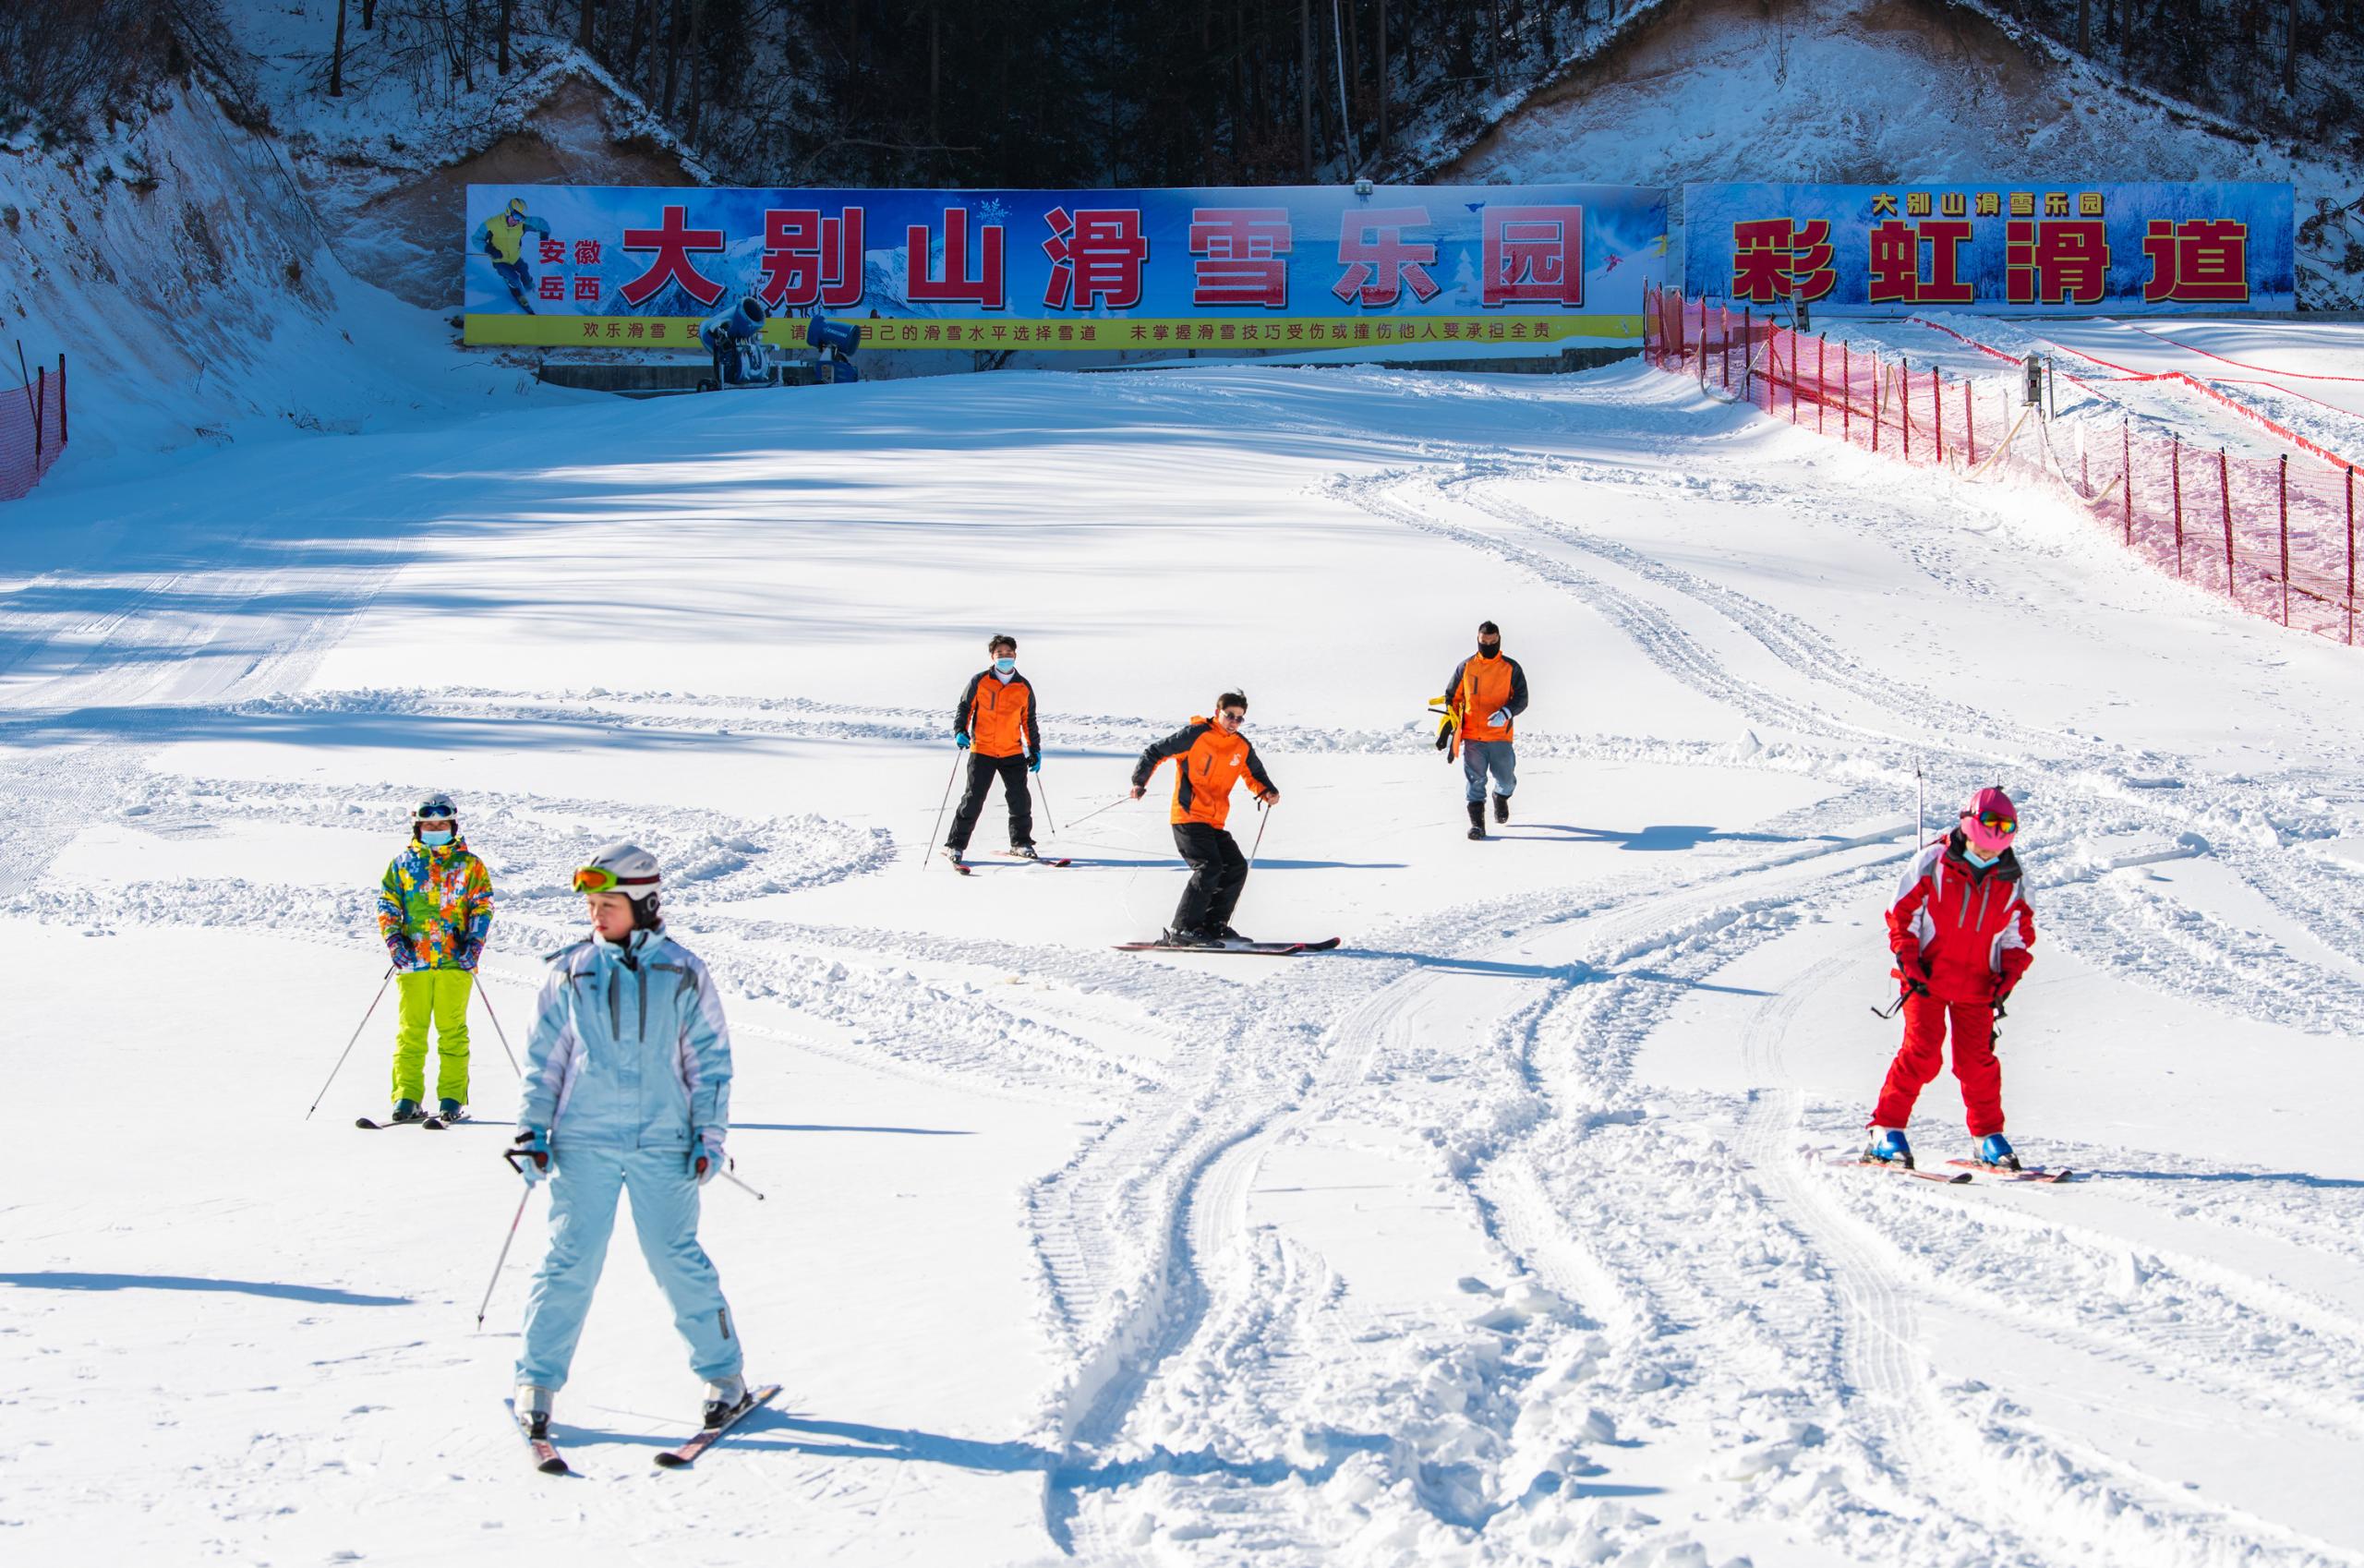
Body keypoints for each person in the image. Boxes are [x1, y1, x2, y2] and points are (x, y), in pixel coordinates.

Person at [509, 843, 752, 1439]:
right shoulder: (570, 971)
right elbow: (546, 1060)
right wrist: (532, 1129)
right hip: (583, 1142)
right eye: (592, 904)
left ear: (644, 905)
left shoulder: (682, 972)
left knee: (676, 1259)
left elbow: (710, 1062)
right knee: (569, 1261)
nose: (597, 915)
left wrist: (708, 1136)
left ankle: (725, 1378)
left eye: (608, 903)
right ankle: (536, 1382)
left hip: (664, 1143)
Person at [1864, 788, 2037, 1171]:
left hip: (1978, 985)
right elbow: (1902, 916)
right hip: (1926, 980)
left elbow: (2017, 933)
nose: (1991, 854)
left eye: (1998, 847)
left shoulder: (2012, 877)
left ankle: (1988, 1137)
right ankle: (1885, 1129)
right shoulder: (1932, 861)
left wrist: (2007, 975)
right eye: (1984, 846)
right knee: (1922, 1053)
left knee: (1977, 1063)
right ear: (1968, 828)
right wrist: (1910, 963)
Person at [375, 792, 494, 1124]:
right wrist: (395, 940)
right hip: (414, 961)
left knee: (451, 1030)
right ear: (418, 827)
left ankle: (451, 1098)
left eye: (442, 823)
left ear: (452, 825)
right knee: (411, 1031)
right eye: (429, 824)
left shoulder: (469, 865)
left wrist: (473, 944)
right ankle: (407, 1097)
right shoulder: (402, 864)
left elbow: (482, 905)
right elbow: (388, 903)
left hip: (454, 960)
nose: (436, 828)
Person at [1129, 692, 1278, 947]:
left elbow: (1254, 772)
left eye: (1239, 719)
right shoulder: (1196, 734)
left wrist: (1267, 791)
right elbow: (1155, 751)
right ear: (1217, 712)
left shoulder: (1240, 746)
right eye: (1229, 715)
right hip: (1187, 816)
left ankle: (1213, 925)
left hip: (1214, 820)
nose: (1233, 721)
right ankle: (1183, 928)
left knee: (1235, 867)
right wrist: (1139, 781)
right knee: (1208, 867)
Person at [944, 634, 1042, 868]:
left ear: (1015, 655)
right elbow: (965, 707)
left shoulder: (1023, 686)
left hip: (1012, 751)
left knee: (1020, 800)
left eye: (1009, 653)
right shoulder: (980, 681)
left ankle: (1021, 843)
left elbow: (1029, 720)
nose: (1005, 657)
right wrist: (960, 730)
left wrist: (1035, 749)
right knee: (973, 799)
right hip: (983, 750)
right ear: (992, 657)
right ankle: (955, 845)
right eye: (1000, 654)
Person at [1440, 621, 1528, 840]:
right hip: (1472, 736)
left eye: (1492, 641)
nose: (1488, 644)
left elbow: (1522, 698)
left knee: (1506, 779)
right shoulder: (1466, 666)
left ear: (1499, 639)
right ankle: (1477, 827)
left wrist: (1506, 713)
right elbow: (1453, 696)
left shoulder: (1511, 668)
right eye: (1484, 641)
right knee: (1475, 780)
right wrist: (1451, 723)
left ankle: (1501, 796)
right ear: (1477, 640)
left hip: (1500, 735)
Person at [474, 197, 552, 312]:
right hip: (500, 261)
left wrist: (544, 234)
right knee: (514, 278)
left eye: (521, 218)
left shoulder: (522, 224)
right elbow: (476, 239)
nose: (517, 221)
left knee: (524, 271)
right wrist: (489, 249)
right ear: (508, 211)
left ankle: (530, 289)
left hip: (515, 258)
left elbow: (541, 223)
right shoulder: (491, 224)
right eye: (516, 216)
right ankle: (517, 292)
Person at [700, 296, 770, 387]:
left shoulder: (740, 320)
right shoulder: (725, 326)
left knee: (738, 351)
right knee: (729, 354)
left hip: (728, 339)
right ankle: (731, 375)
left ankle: (750, 374)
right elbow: (714, 331)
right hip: (721, 340)